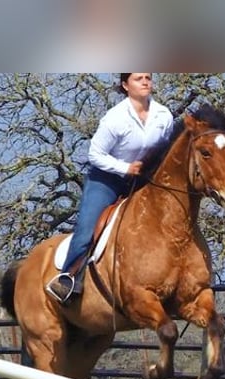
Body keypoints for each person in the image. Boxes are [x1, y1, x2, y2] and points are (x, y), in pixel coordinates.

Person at [46, 73, 174, 303]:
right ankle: (68, 278)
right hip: (106, 180)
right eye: (138, 78)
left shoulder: (164, 116)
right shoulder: (115, 118)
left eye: (148, 77)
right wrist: (125, 168)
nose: (145, 81)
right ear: (125, 85)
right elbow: (94, 154)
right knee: (87, 230)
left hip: (143, 180)